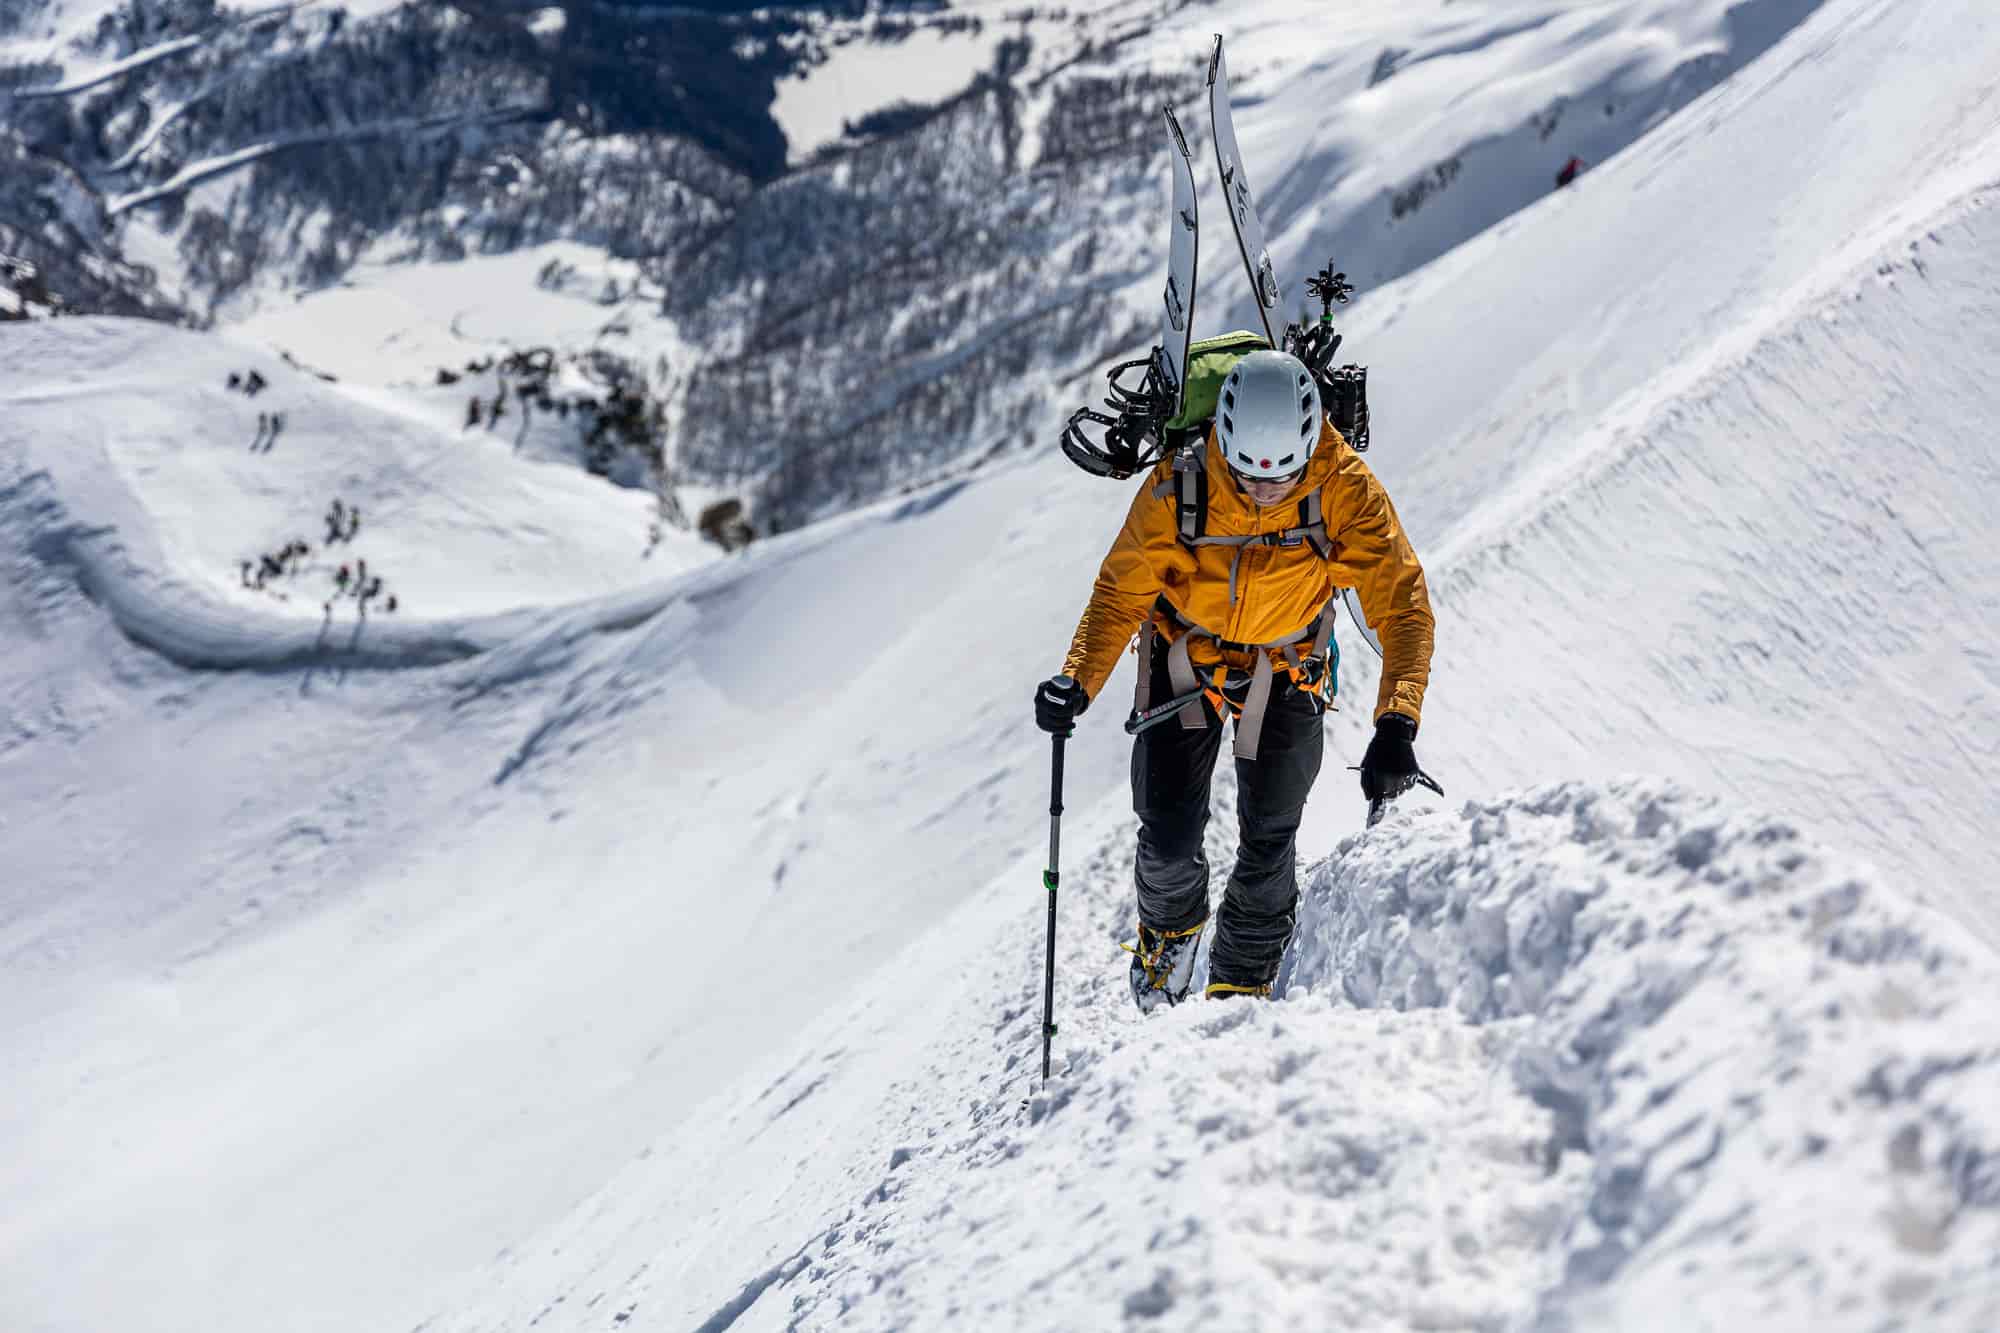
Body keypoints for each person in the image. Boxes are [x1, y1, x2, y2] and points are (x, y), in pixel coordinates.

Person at [1035, 350, 1436, 1010]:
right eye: (1248, 474)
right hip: (1184, 655)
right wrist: (1076, 681)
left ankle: (1240, 987)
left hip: (1286, 666)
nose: (1264, 490)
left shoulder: (1345, 489)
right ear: (1224, 440)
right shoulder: (1180, 482)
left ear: (1312, 446)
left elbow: (1402, 601)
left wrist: (1397, 719)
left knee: (1270, 831)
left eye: (1282, 477)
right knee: (1165, 830)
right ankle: (1169, 931)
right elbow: (1120, 592)